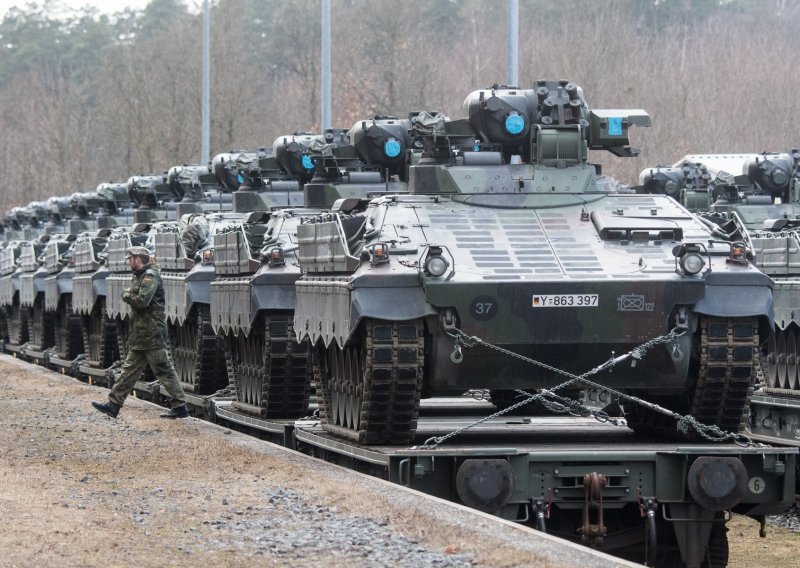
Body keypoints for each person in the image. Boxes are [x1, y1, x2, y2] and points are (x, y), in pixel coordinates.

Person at [92, 246, 189, 419]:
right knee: (129, 370)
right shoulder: (140, 276)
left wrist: (126, 294)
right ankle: (113, 404)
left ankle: (180, 406)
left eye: (130, 259)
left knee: (163, 369)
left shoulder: (150, 276)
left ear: (137, 259)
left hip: (152, 332)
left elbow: (142, 300)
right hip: (141, 333)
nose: (129, 262)